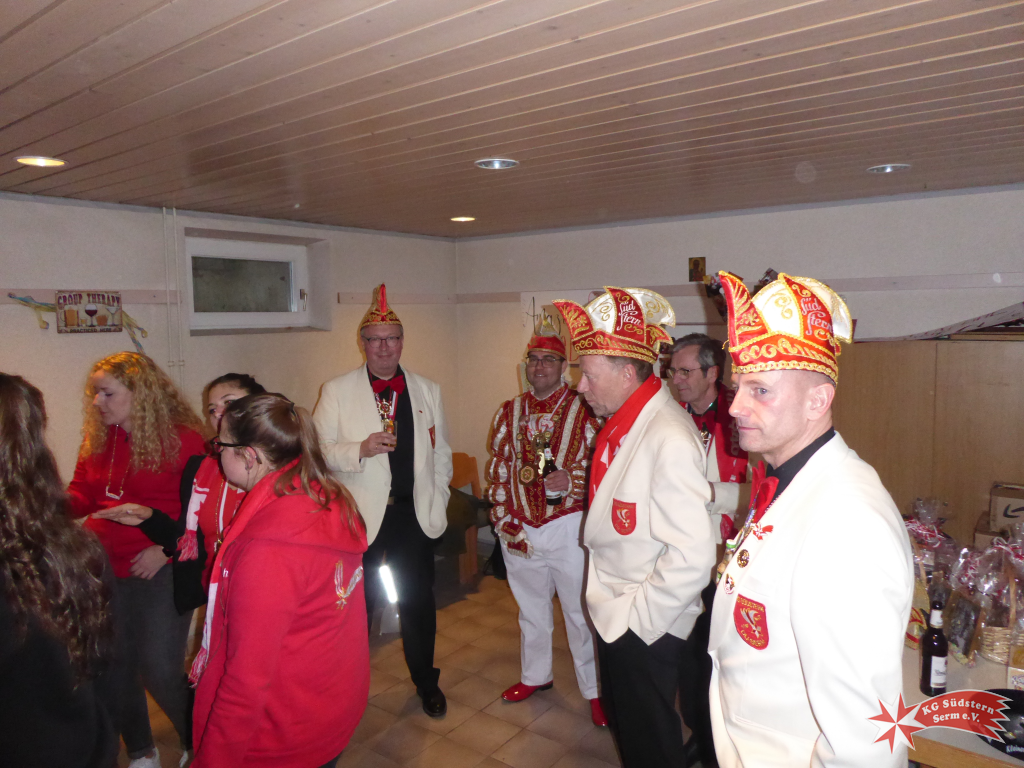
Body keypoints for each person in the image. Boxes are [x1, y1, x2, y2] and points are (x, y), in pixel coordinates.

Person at [709, 272, 914, 768]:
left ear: (817, 401)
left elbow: (865, 741)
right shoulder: (789, 480)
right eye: (738, 388)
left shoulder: (847, 523)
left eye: (760, 390)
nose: (735, 407)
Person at [552, 287, 716, 768]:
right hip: (618, 609)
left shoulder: (667, 435)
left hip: (644, 621)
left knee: (650, 744)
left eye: (589, 374)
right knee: (631, 731)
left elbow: (693, 557)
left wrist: (636, 625)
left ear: (628, 373)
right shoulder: (628, 421)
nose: (580, 385)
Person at [189, 393, 368, 767]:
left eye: (220, 445)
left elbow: (245, 679)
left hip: (282, 731)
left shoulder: (270, 547)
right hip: (327, 703)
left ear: (249, 456)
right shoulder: (325, 497)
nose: (216, 453)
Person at [313, 283, 453, 717]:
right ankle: (344, 687)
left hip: (412, 515)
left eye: (392, 338)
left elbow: (441, 452)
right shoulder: (336, 390)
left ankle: (426, 682)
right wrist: (359, 449)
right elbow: (317, 452)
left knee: (418, 603)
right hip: (360, 518)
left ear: (402, 342)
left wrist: (440, 495)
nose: (384, 348)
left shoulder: (427, 389)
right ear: (362, 343)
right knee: (357, 606)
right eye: (375, 339)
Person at [68, 352, 207, 768]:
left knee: (160, 668)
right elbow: (82, 494)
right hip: (101, 567)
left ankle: (199, 744)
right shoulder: (100, 437)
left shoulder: (185, 439)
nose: (97, 402)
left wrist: (166, 550)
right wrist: (43, 503)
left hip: (158, 568)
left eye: (107, 393)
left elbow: (201, 513)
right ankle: (142, 751)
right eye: (95, 393)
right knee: (116, 665)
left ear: (140, 393)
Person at [484, 318, 605, 725]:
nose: (539, 367)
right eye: (533, 359)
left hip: (568, 525)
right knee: (531, 610)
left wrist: (572, 479)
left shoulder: (585, 407)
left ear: (564, 366)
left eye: (548, 360)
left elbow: (605, 463)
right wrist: (503, 520)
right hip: (521, 525)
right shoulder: (509, 410)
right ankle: (536, 676)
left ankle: (595, 690)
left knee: (579, 613)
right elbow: (500, 465)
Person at [0, 373, 118, 768]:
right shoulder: (77, 549)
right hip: (78, 743)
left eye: (108, 392)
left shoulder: (74, 551)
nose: (98, 401)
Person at [95, 373, 267, 613]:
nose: (219, 414)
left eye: (229, 403)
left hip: (263, 590)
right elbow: (189, 539)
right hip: (220, 593)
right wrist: (148, 518)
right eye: (212, 409)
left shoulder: (278, 467)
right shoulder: (202, 468)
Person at [669, 333, 751, 768]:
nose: (676, 380)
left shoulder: (743, 416)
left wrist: (709, 494)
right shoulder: (672, 416)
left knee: (725, 659)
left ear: (712, 373)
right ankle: (700, 732)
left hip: (731, 556)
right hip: (682, 552)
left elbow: (762, 491)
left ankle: (722, 743)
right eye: (673, 371)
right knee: (689, 655)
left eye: (685, 372)